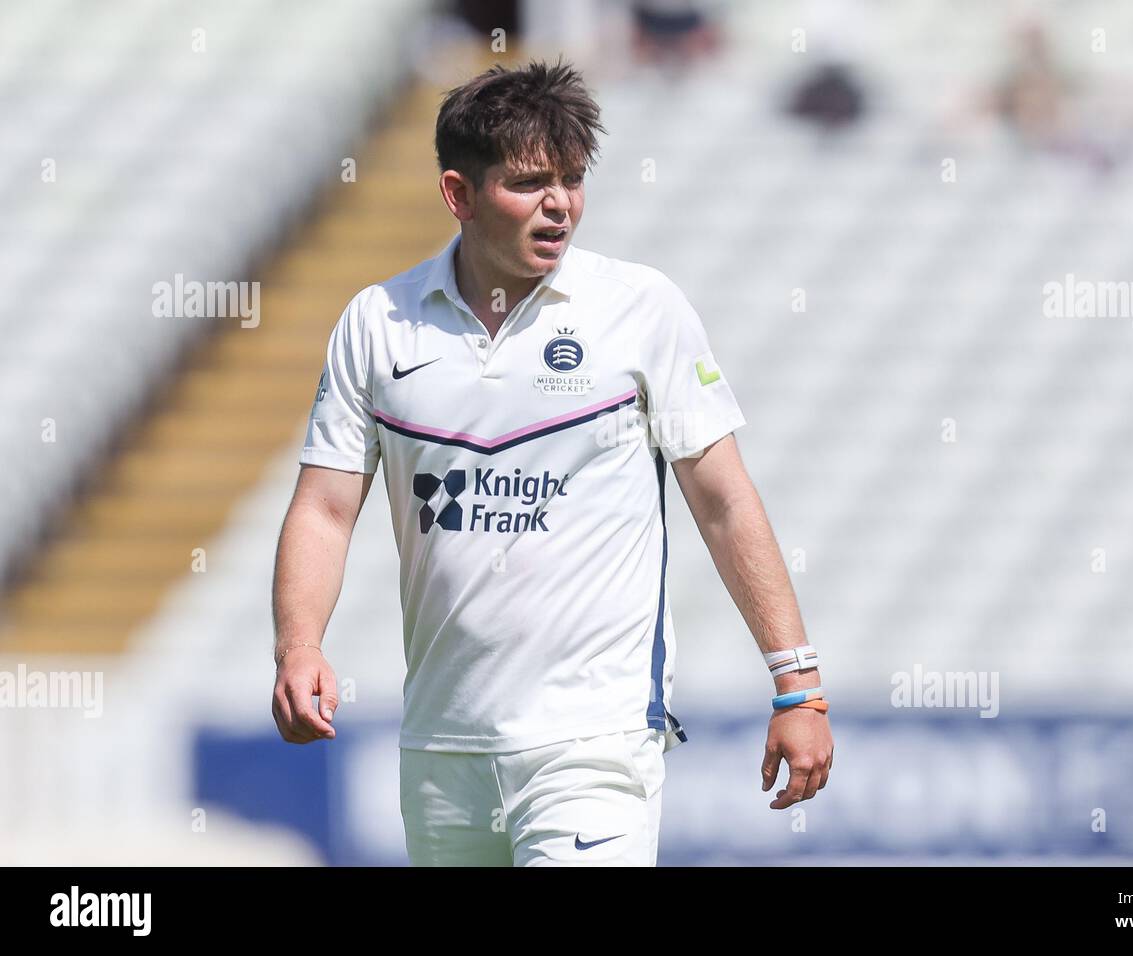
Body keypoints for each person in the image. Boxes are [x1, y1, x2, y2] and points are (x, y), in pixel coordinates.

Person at [270, 59, 832, 866]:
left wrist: (798, 684)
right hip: (442, 748)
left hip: (592, 742)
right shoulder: (377, 325)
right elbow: (324, 508)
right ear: (458, 195)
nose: (560, 203)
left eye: (571, 179)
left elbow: (724, 500)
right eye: (530, 182)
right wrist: (299, 646)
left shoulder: (641, 310)